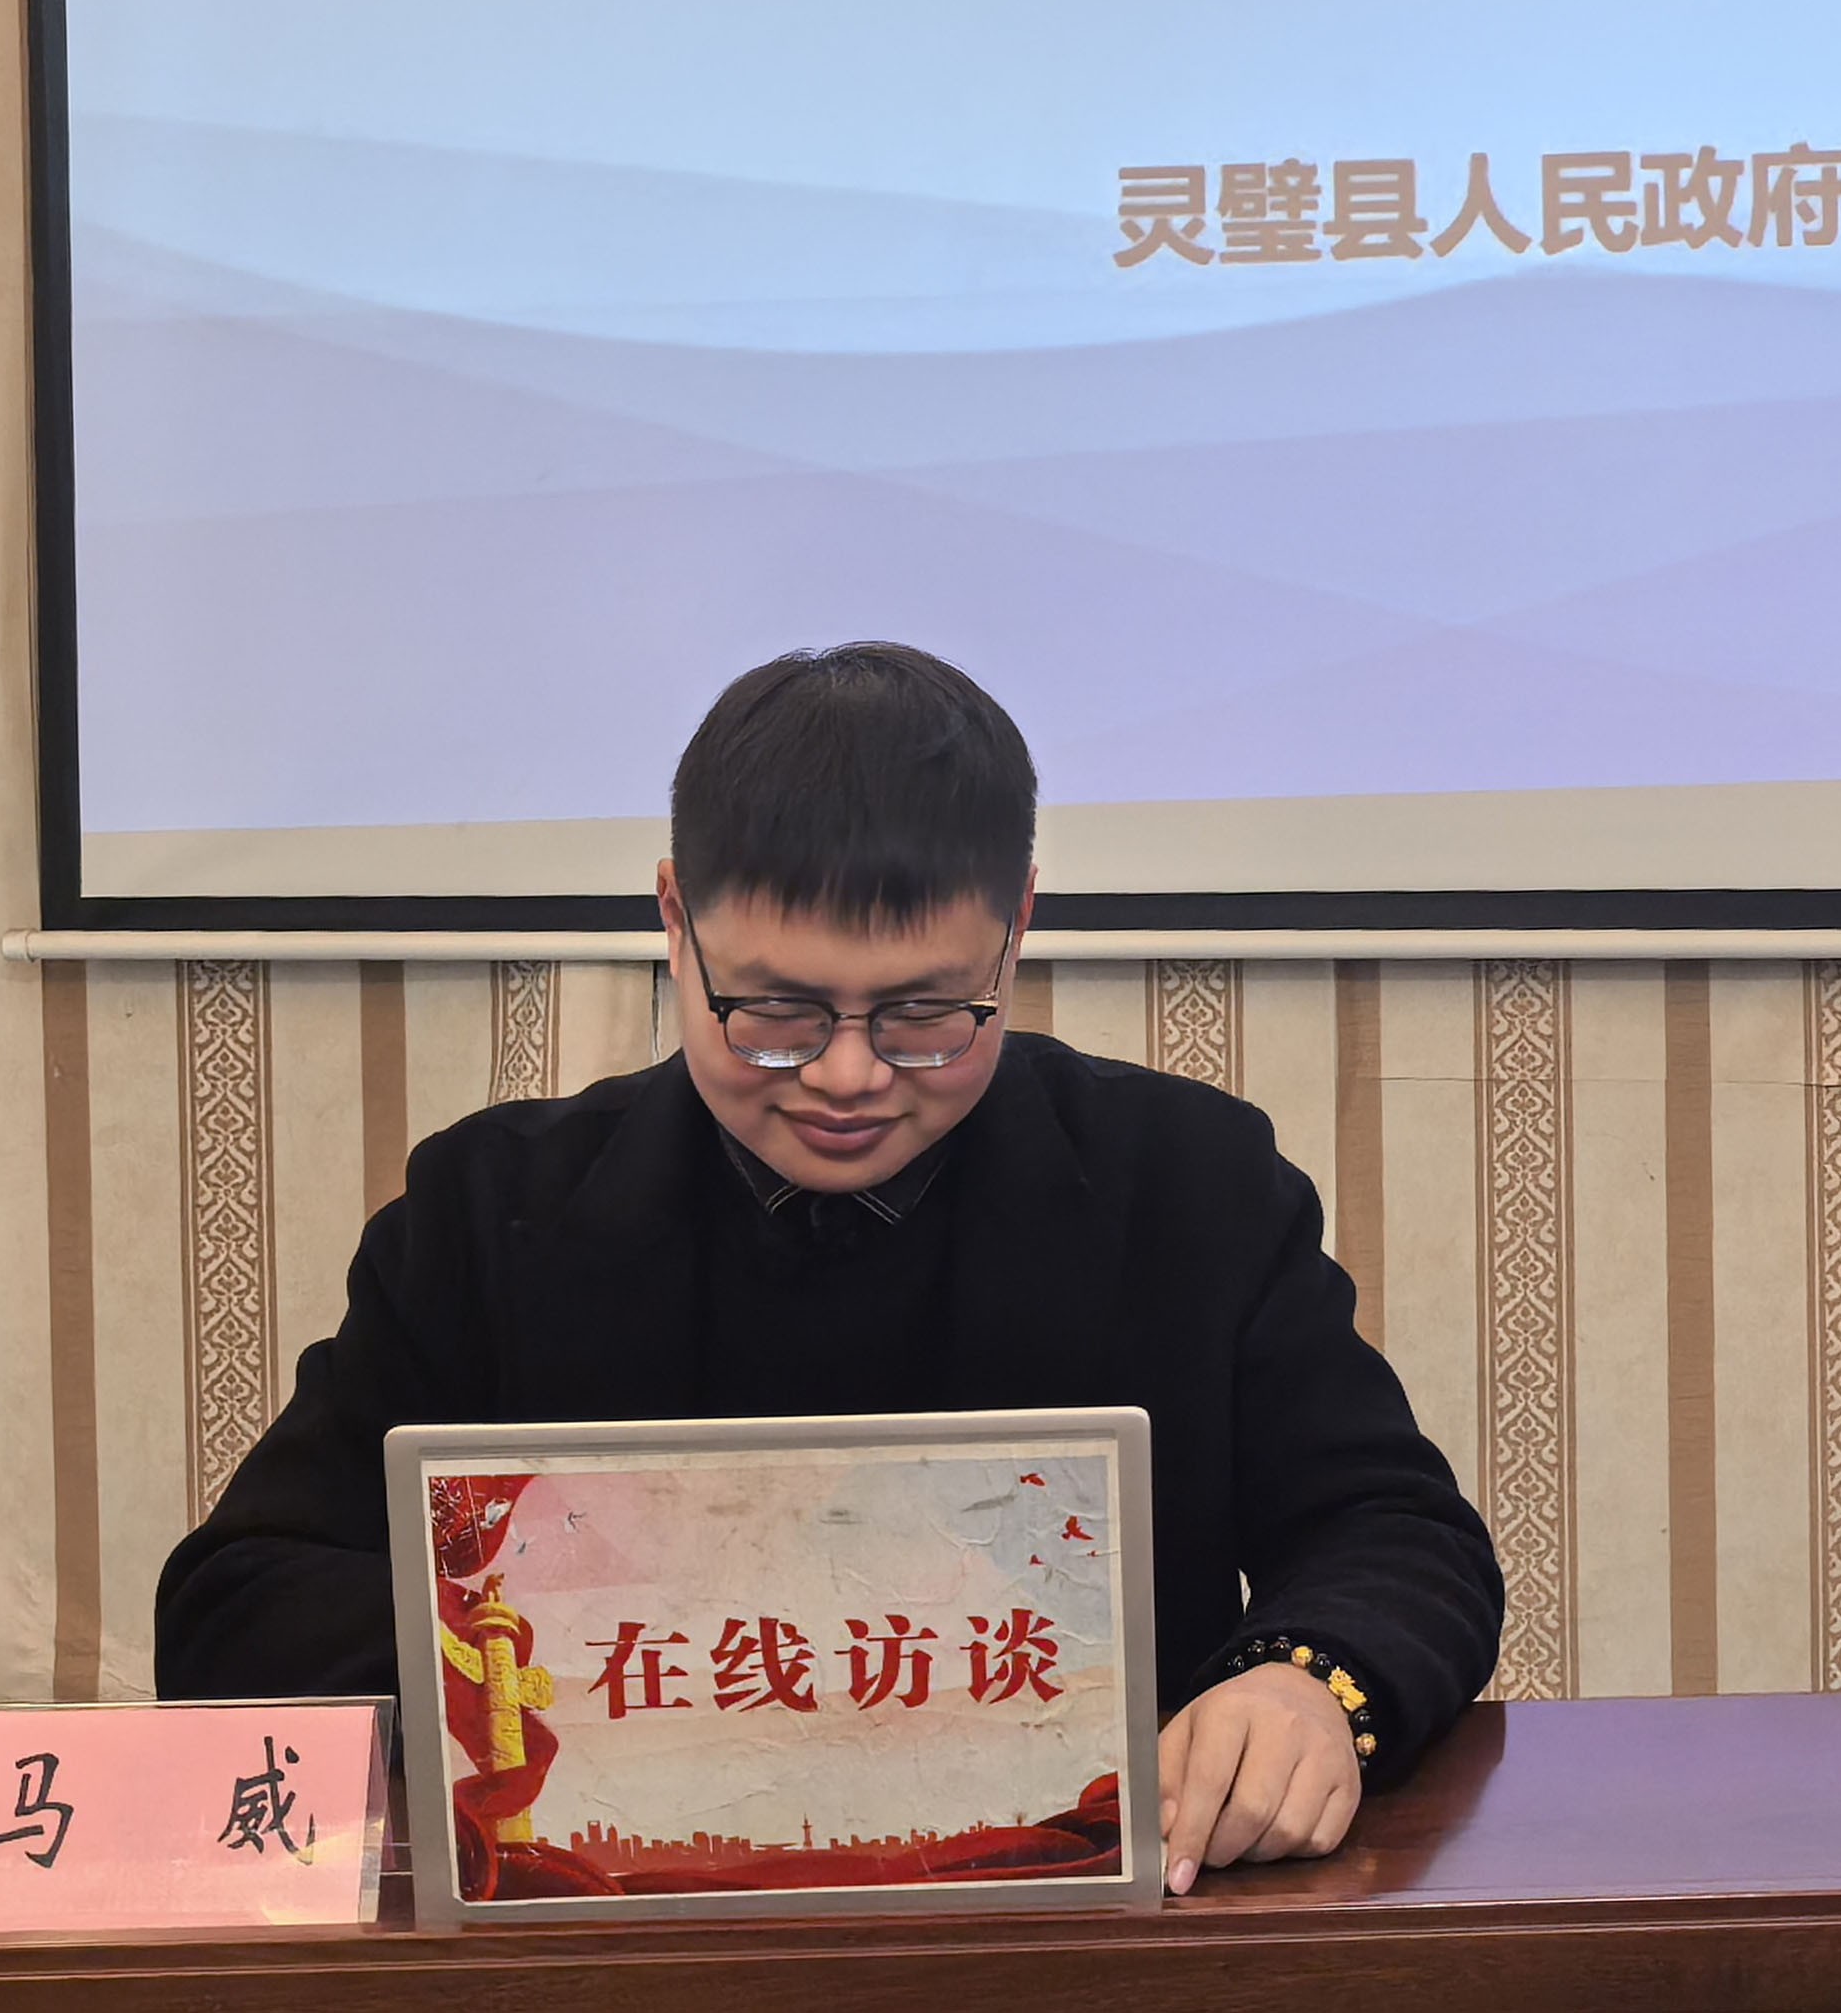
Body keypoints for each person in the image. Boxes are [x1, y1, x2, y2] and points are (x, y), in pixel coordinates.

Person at [155, 642, 1502, 1891]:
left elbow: (1395, 1532)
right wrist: (539, 1653)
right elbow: (237, 1608)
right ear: (674, 917)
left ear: (1017, 925)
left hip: (1081, 1927)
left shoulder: (1190, 1186)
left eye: (927, 1013)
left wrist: (1305, 1682)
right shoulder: (489, 1212)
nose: (848, 1075)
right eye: (776, 1011)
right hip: (618, 1933)